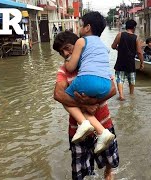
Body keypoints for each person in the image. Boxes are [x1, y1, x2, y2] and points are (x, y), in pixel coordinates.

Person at [53, 31, 119, 180]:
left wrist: (91, 102)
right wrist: (85, 105)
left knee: (109, 166)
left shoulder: (95, 62)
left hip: (103, 123)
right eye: (61, 52)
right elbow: (58, 94)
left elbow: (113, 89)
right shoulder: (64, 69)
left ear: (77, 45)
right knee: (80, 174)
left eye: (67, 48)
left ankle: (108, 173)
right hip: (78, 131)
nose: (65, 53)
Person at [63, 11, 115, 154]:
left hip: (87, 80)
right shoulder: (103, 46)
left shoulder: (81, 41)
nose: (79, 28)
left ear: (87, 28)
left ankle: (84, 123)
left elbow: (71, 67)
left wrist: (67, 62)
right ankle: (101, 132)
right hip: (105, 84)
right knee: (85, 106)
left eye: (81, 25)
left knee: (66, 98)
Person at [111, 19, 144, 101]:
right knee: (131, 80)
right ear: (134, 28)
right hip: (130, 62)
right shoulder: (136, 38)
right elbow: (139, 52)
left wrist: (120, 49)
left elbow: (113, 46)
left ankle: (121, 95)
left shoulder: (120, 35)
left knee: (120, 79)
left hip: (120, 61)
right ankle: (131, 94)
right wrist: (142, 63)